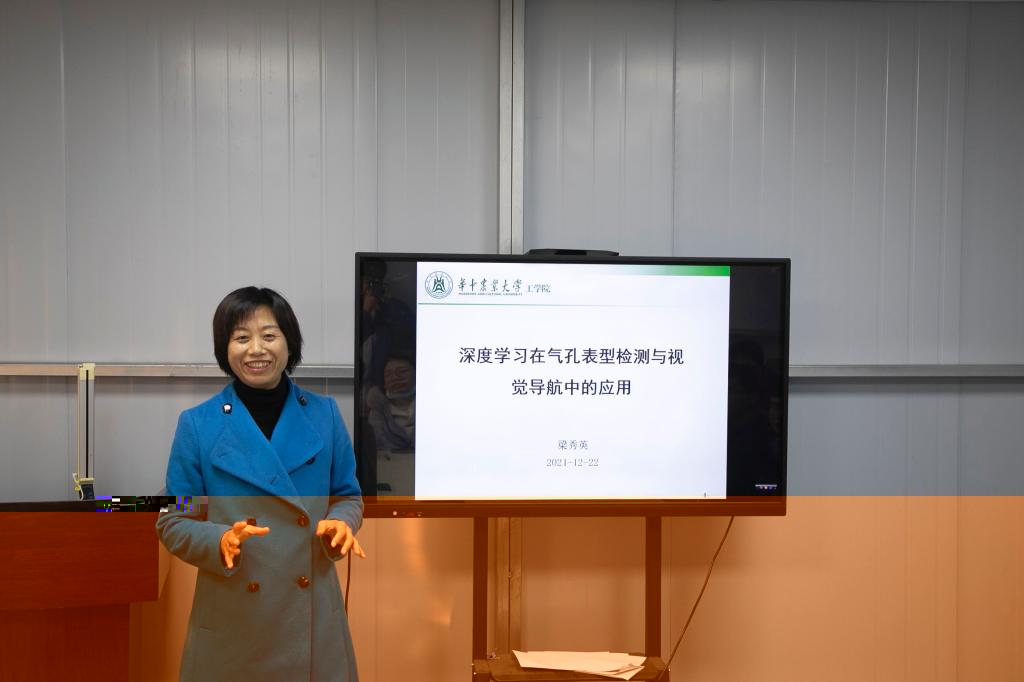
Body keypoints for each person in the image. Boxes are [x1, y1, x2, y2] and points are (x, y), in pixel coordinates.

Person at [156, 286, 365, 681]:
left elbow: (347, 496)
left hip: (311, 620)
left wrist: (342, 524)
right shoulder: (198, 424)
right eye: (241, 337)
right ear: (225, 348)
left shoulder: (324, 414)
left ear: (289, 343)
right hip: (233, 620)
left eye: (269, 335)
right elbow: (172, 519)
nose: (256, 349)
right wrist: (218, 540)